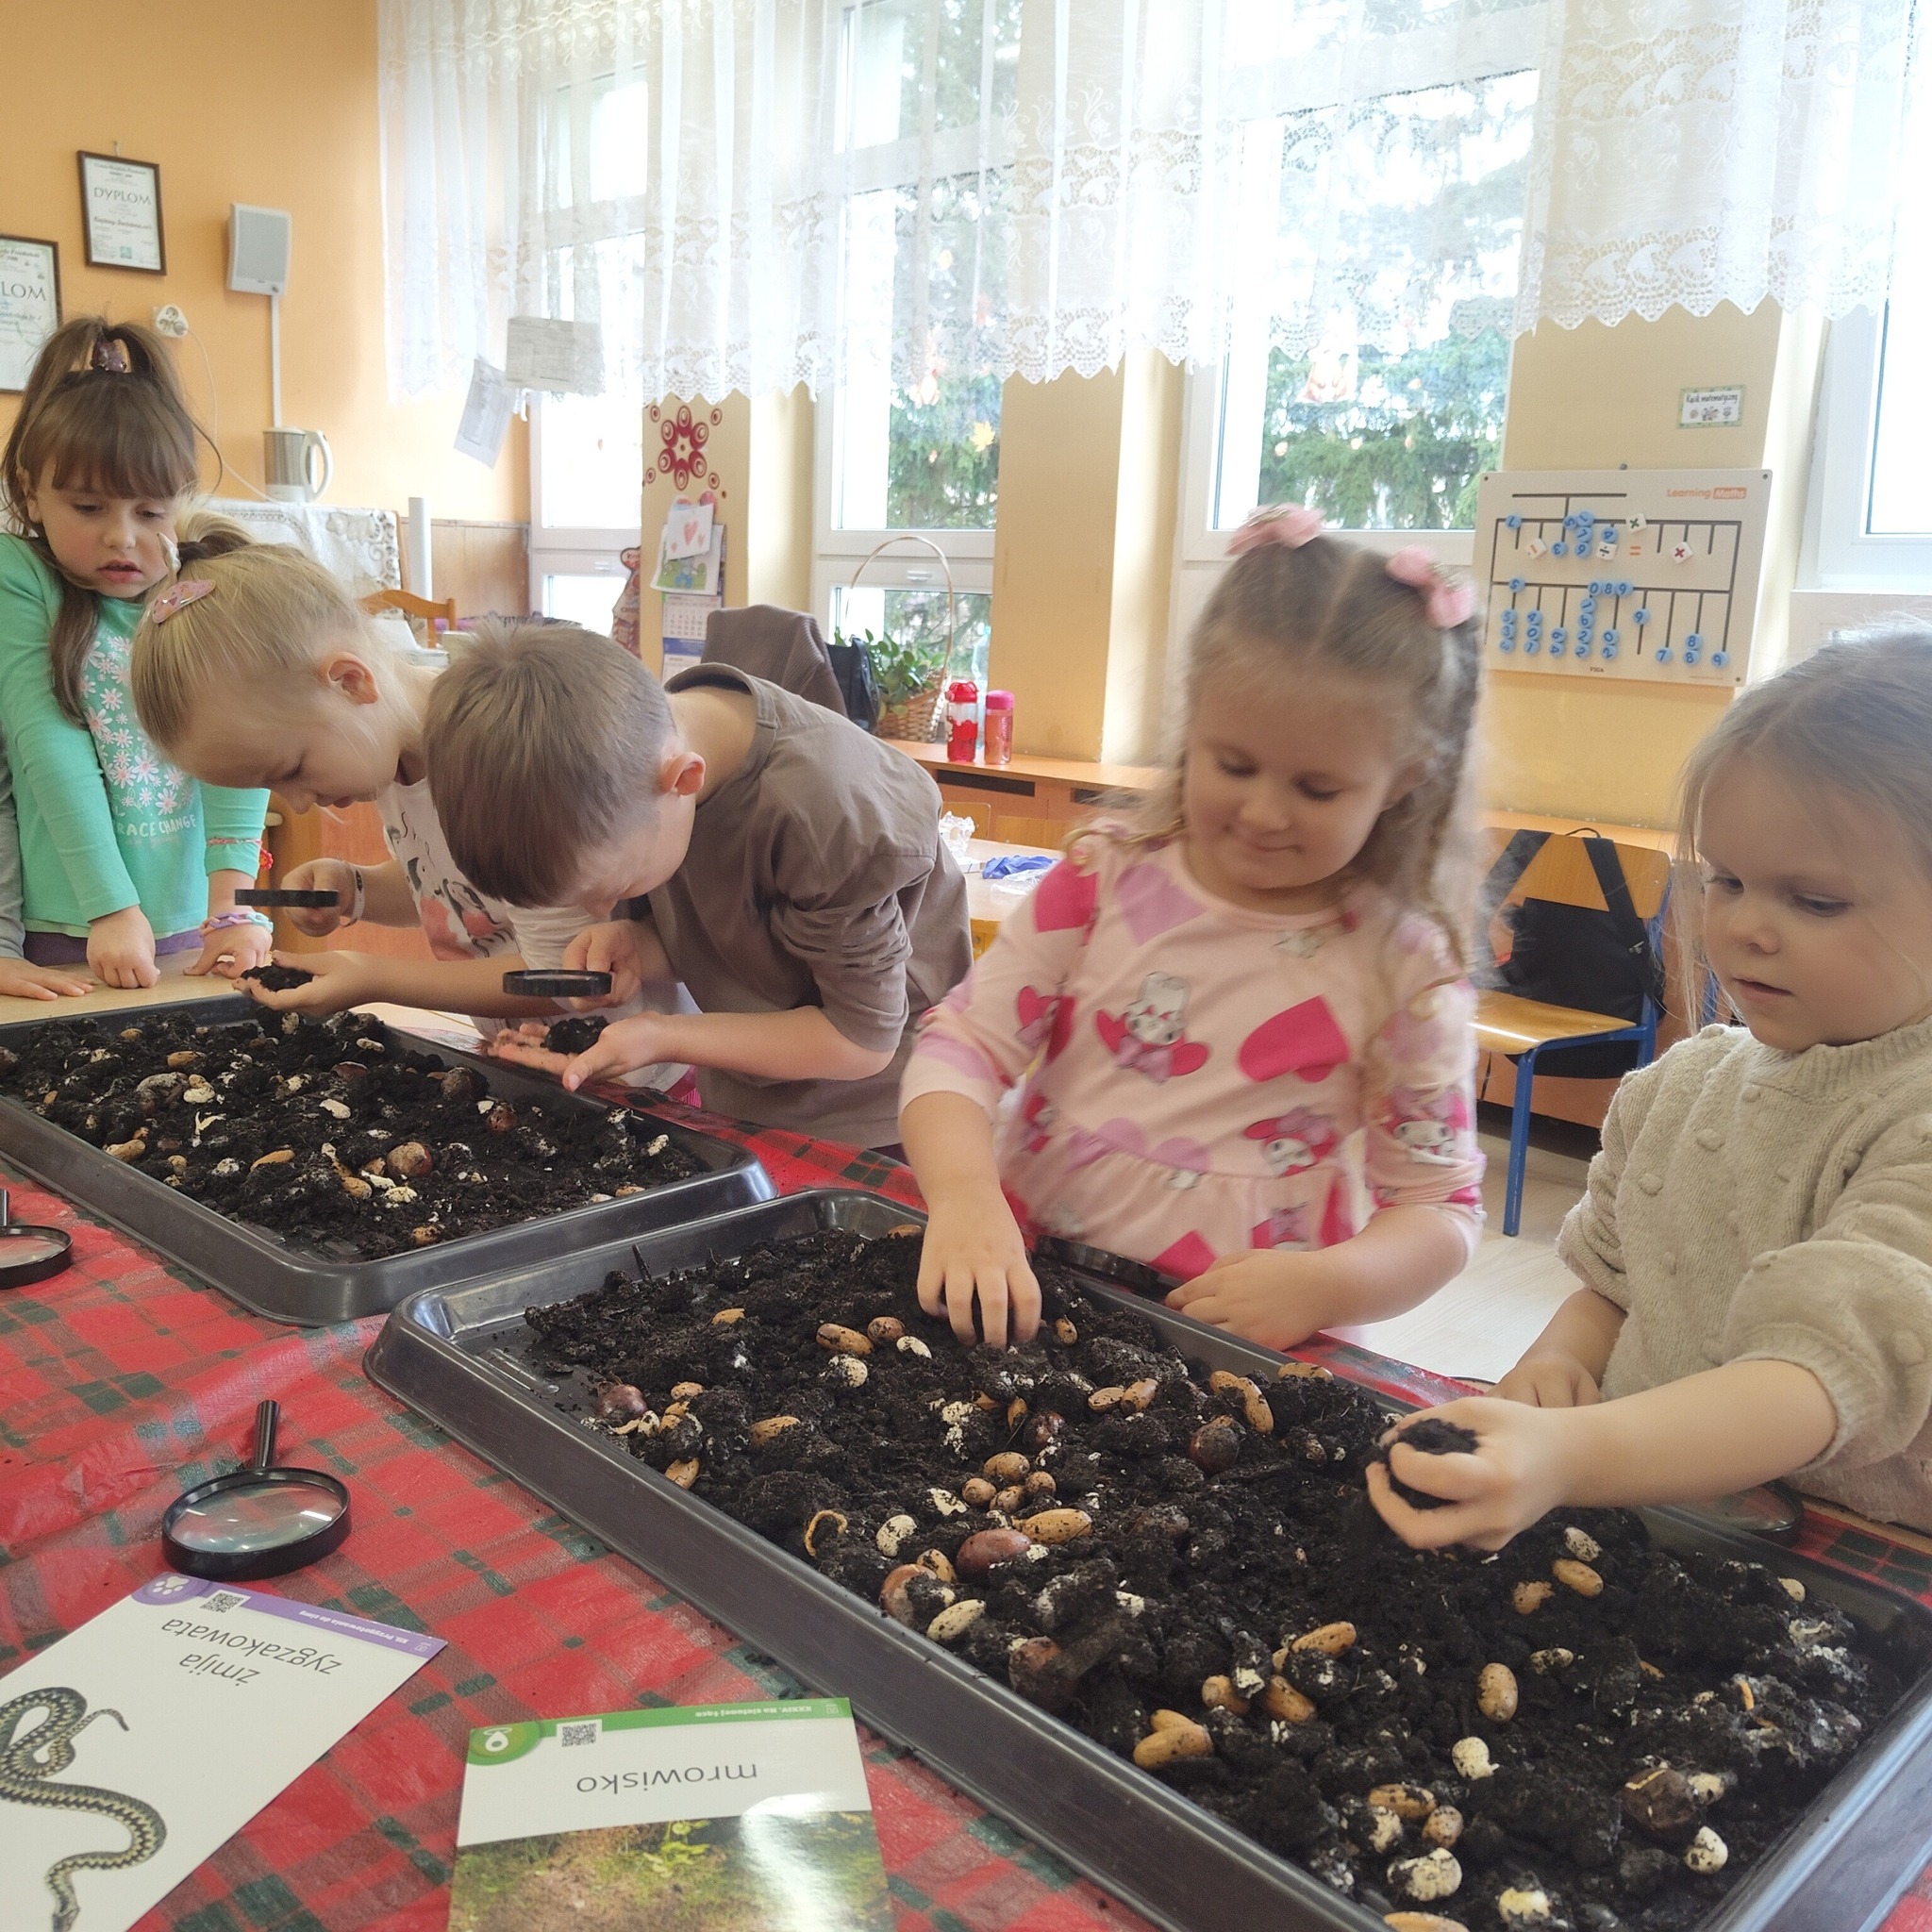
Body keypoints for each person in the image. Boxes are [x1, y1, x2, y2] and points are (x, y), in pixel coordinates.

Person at [1371, 628, 1932, 1546]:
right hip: (1640, 1527)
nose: (1743, 926)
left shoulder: (1913, 1118)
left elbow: (1812, 1378)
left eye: (1815, 900)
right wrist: (1560, 1360)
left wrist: (1573, 1455)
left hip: (1847, 1571)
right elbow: (1617, 1291)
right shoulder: (1679, 1086)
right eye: (1727, 881)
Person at [899, 506, 1487, 1346]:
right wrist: (963, 1198)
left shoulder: (1406, 966)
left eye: (1317, 789)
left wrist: (1328, 1286)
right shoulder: (1104, 876)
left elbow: (1438, 1205)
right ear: (1192, 725)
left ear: (1405, 778)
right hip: (1035, 1295)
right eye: (1233, 765)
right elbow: (961, 1048)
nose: (1264, 812)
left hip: (1243, 1347)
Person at [419, 622, 973, 1150]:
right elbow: (748, 938)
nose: (601, 907)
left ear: (684, 780)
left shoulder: (826, 817)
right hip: (747, 1095)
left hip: (886, 1116)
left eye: (613, 885)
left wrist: (663, 1036)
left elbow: (861, 1041)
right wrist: (640, 945)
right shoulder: (635, 771)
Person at [127, 545, 652, 1043]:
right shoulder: (390, 757)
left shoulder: (504, 762)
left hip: (628, 1068)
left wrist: (376, 978)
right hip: (531, 1055)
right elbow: (451, 892)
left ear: (350, 682)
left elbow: (561, 977)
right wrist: (354, 889)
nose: (300, 802)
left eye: (293, 770)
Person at [0, 317, 271, 989]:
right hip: (72, 929)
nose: (122, 537)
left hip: (191, 925)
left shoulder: (205, 582)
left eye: (150, 513)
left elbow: (241, 749)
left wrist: (233, 906)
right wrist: (112, 908)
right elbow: (47, 744)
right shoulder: (19, 575)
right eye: (88, 508)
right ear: (31, 491)